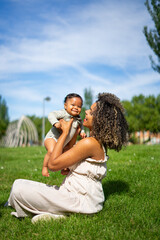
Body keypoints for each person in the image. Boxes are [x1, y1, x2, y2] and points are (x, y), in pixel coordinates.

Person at [6, 93, 128, 223]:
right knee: (19, 184)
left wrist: (64, 133)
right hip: (80, 198)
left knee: (18, 188)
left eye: (91, 112)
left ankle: (61, 212)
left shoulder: (90, 143)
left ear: (100, 120)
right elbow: (70, 159)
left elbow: (52, 165)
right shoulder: (93, 142)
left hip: (80, 201)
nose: (86, 111)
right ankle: (58, 213)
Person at [42, 93, 86, 177]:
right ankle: (44, 167)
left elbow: (81, 125)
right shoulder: (63, 113)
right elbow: (51, 114)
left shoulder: (78, 118)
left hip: (63, 142)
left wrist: (82, 132)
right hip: (52, 138)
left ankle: (64, 169)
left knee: (67, 154)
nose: (76, 108)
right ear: (65, 106)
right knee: (51, 151)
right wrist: (56, 122)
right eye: (72, 105)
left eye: (79, 106)